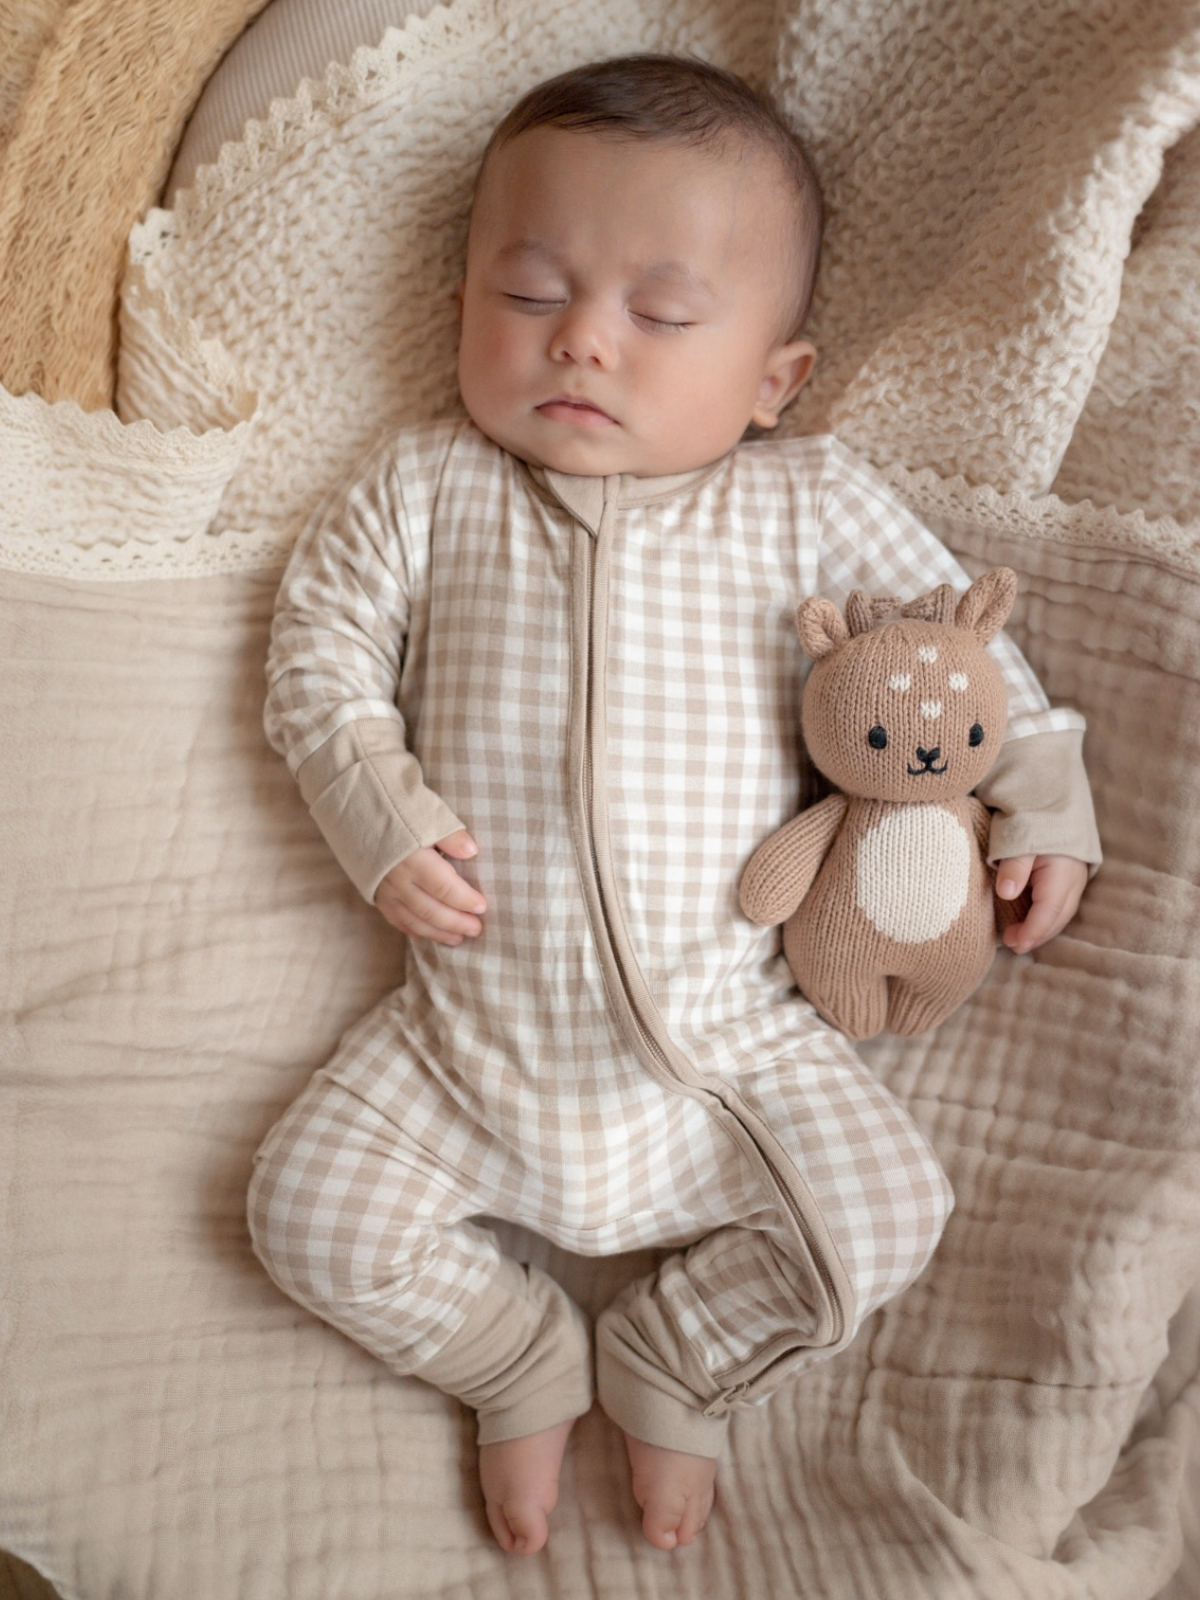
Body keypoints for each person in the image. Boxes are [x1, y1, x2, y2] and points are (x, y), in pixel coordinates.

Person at [249, 54, 1101, 1557]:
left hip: (728, 1045)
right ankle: (508, 1352)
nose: (583, 338)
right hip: (465, 1043)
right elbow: (319, 656)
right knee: (303, 1217)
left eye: (659, 314)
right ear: (460, 309)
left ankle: (678, 1354)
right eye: (526, 295)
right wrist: (375, 809)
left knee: (892, 1210)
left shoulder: (801, 500)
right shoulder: (427, 485)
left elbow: (956, 665)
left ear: (774, 380)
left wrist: (1042, 800)